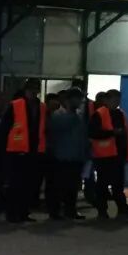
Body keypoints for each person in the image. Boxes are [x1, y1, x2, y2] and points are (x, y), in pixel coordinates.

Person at [0, 80, 46, 223]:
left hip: (34, 150)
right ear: (26, 90)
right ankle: (12, 213)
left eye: (36, 89)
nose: (34, 92)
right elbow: (4, 129)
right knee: (15, 184)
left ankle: (24, 212)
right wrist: (3, 151)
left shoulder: (42, 107)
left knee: (29, 184)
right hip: (16, 150)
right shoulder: (15, 105)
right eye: (31, 89)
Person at [90, 89, 128, 219]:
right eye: (114, 100)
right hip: (104, 156)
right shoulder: (99, 114)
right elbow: (93, 133)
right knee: (102, 185)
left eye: (118, 100)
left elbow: (126, 135)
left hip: (118, 155)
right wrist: (112, 133)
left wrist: (126, 153)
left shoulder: (121, 114)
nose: (117, 103)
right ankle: (102, 210)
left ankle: (122, 209)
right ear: (107, 100)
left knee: (118, 185)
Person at [46, 89, 88, 221]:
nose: (80, 102)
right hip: (61, 157)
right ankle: (55, 211)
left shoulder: (78, 115)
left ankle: (70, 210)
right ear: (69, 100)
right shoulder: (58, 115)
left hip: (76, 157)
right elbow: (58, 129)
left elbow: (82, 136)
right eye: (78, 99)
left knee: (72, 187)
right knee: (59, 186)